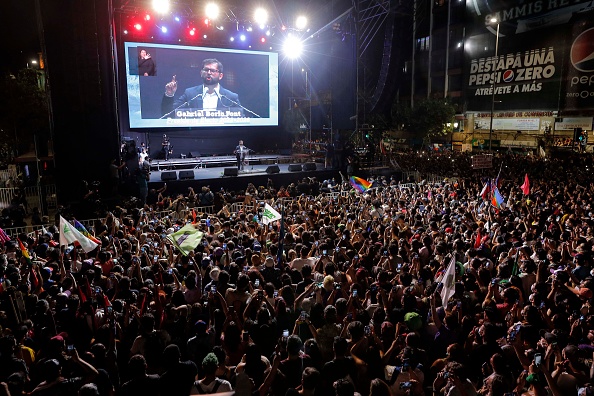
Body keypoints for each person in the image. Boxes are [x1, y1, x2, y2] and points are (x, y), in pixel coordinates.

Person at [161, 58, 242, 117]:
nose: (209, 73)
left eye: (213, 70)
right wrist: (169, 94)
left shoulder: (231, 97)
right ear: (201, 73)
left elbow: (241, 119)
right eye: (206, 70)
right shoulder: (190, 94)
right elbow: (168, 113)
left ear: (220, 76)